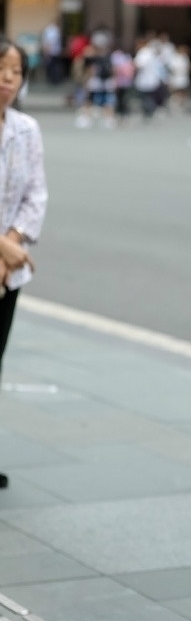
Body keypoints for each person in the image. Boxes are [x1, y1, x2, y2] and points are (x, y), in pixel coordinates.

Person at [0, 37, 48, 489]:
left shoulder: (26, 129)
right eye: (1, 68)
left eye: (16, 70)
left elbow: (36, 194)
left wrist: (11, 246)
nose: (8, 78)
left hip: (8, 272)